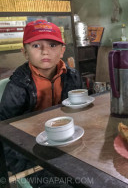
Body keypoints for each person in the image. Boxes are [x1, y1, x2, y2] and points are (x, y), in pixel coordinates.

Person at [0, 20, 82, 186]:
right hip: (28, 149)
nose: (45, 51)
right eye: (36, 46)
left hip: (65, 142)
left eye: (52, 45)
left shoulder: (72, 76)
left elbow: (81, 112)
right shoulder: (18, 85)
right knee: (58, 183)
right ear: (25, 52)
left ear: (62, 51)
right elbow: (4, 130)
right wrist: (22, 160)